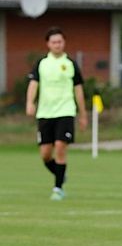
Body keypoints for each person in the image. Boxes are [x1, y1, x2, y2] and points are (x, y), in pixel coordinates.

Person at [25, 27, 88, 200]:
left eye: (60, 41)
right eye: (54, 42)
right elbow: (33, 85)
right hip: (45, 112)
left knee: (60, 147)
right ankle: (60, 174)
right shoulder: (42, 64)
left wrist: (83, 114)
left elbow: (78, 89)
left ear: (64, 43)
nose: (57, 45)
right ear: (48, 44)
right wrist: (30, 102)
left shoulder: (70, 64)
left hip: (66, 111)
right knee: (45, 154)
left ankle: (58, 188)